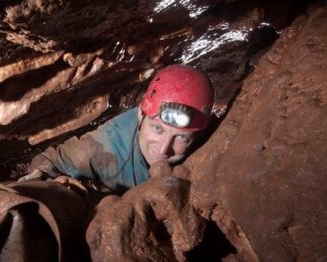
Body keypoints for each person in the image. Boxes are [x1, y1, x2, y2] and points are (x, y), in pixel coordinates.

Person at [19, 64, 215, 193]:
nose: (164, 148)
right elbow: (47, 159)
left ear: (198, 135)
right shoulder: (106, 145)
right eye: (157, 128)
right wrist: (47, 178)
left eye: (182, 138)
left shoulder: (210, 142)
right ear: (141, 114)